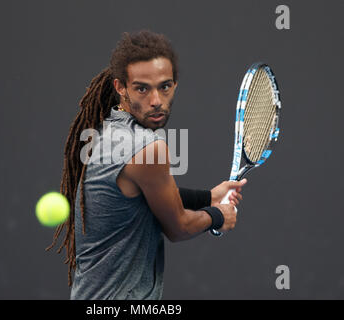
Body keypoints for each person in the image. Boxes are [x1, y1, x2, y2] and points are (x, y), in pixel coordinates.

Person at [46, 30, 246, 300]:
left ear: (175, 84)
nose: (156, 101)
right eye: (142, 88)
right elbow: (179, 226)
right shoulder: (147, 149)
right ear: (121, 88)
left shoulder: (106, 131)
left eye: (164, 86)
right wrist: (219, 216)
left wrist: (209, 196)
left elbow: (146, 195)